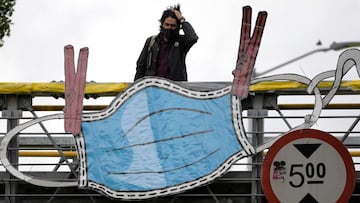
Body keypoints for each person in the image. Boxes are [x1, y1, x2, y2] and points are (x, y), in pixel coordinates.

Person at [134, 4, 198, 81]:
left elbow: (193, 38)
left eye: (173, 25)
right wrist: (138, 88)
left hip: (174, 89)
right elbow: (141, 66)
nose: (169, 28)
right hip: (152, 88)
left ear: (177, 26)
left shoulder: (181, 42)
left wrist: (181, 19)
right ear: (162, 24)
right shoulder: (151, 41)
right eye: (167, 25)